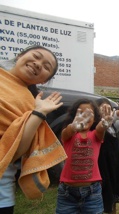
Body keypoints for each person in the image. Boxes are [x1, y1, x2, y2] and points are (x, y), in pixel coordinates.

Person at [0, 45, 67, 214]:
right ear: (20, 55)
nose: (38, 64)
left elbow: (16, 151)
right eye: (36, 56)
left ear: (44, 80)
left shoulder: (32, 102)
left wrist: (39, 112)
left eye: (46, 67)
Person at [55, 98, 113, 214]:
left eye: (89, 113)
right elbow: (66, 133)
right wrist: (73, 126)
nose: (84, 117)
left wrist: (104, 123)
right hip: (67, 194)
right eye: (80, 113)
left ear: (95, 118)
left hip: (92, 193)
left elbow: (100, 129)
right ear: (74, 116)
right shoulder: (69, 134)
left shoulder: (95, 135)